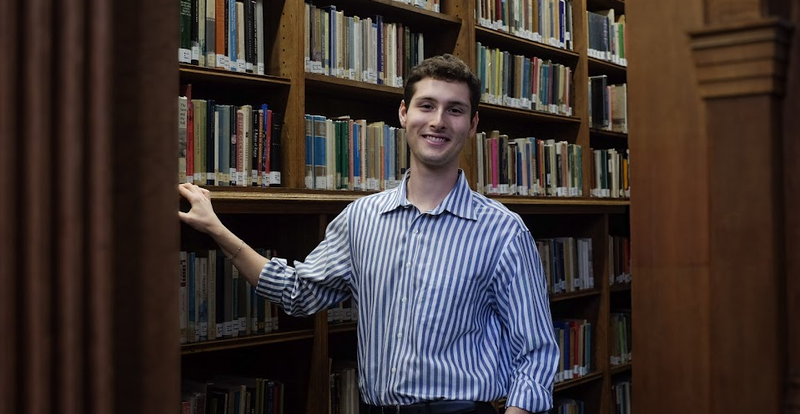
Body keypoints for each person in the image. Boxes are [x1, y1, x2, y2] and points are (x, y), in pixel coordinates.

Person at [179, 54, 558, 414]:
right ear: (403, 113)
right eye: (426, 106)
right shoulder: (361, 219)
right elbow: (298, 294)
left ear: (472, 125)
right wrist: (216, 229)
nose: (438, 121)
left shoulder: (503, 231)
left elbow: (537, 351)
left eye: (454, 110)